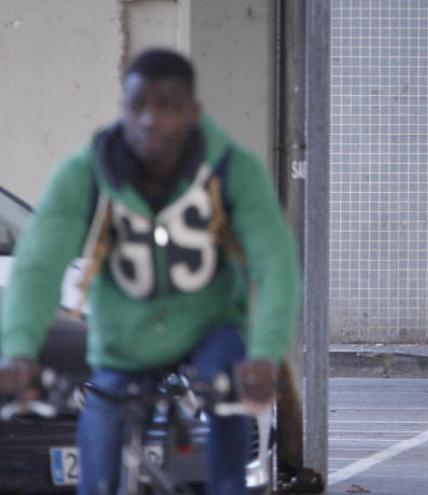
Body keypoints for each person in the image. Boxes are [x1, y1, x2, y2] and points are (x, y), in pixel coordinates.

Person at [0, 48, 301, 495]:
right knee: (102, 413)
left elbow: (276, 263)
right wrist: (20, 350)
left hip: (210, 326)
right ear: (123, 109)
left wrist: (264, 353)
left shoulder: (232, 171)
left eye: (168, 107)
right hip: (126, 334)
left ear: (192, 113)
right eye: (138, 107)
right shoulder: (88, 170)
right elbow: (38, 264)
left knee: (229, 404)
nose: (150, 121)